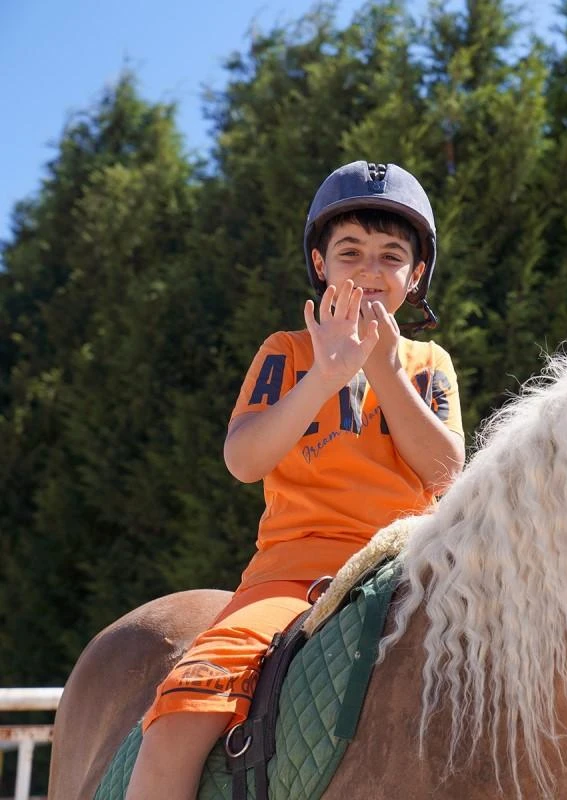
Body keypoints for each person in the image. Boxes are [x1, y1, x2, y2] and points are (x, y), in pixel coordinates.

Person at [126, 161, 465, 799]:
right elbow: (245, 461)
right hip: (289, 578)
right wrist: (327, 375)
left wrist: (385, 371)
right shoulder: (286, 352)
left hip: (410, 573)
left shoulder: (427, 362)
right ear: (320, 263)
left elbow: (448, 472)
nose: (369, 271)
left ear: (414, 276)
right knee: (180, 718)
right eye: (350, 252)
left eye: (391, 256)